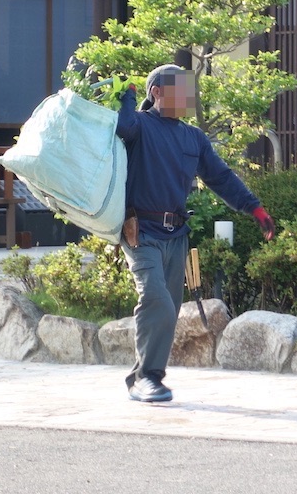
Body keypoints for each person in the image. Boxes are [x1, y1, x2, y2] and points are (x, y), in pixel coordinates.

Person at [116, 63, 275, 403]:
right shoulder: (140, 127)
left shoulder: (193, 137)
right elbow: (121, 126)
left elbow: (220, 177)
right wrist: (126, 98)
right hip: (140, 231)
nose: (190, 97)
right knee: (155, 297)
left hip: (176, 233)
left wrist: (254, 208)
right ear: (156, 91)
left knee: (169, 306)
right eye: (181, 89)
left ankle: (141, 375)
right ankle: (148, 378)